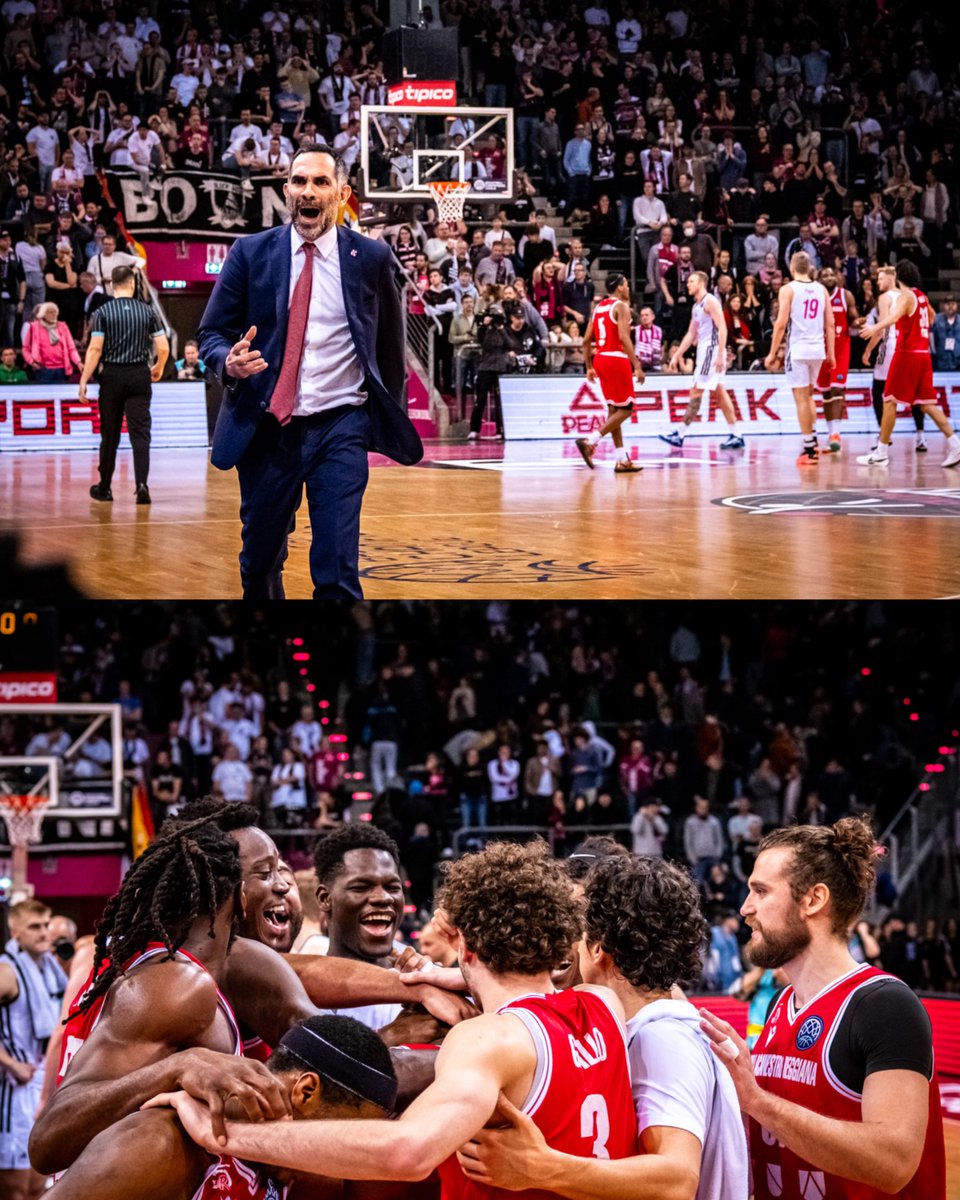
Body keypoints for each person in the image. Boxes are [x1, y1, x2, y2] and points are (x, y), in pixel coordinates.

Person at [154, 840, 639, 1193]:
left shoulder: (486, 1039)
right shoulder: (603, 1005)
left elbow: (406, 1151)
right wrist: (452, 979)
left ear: (464, 945)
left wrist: (227, 1134)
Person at [196, 144, 422, 601]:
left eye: (321, 182)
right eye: (299, 182)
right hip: (267, 429)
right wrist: (228, 362)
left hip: (341, 426)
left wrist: (380, 419)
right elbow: (211, 334)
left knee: (337, 570)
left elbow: (390, 350)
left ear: (342, 193)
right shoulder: (250, 252)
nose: (309, 191)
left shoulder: (372, 257)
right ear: (286, 190)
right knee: (258, 564)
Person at [458, 855, 749, 1198]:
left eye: (578, 935)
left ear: (598, 948)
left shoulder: (662, 1038)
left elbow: (677, 1180)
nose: (569, 947)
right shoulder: (639, 1022)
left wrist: (543, 1167)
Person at [700, 817, 946, 1198]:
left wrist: (757, 1101)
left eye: (760, 891)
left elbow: (894, 1162)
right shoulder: (782, 1004)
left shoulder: (884, 1005)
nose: (746, 908)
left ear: (813, 900)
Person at [50, 1013, 398, 1200]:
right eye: (348, 1128)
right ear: (306, 1093)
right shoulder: (156, 1144)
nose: (345, 1157)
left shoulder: (289, 1167)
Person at [80, 264, 169, 505]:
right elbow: (162, 346)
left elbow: (95, 348)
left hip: (112, 376)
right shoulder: (148, 311)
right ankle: (142, 485)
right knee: (140, 434)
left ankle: (105, 488)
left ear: (111, 285)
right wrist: (159, 367)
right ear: (132, 284)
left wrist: (84, 379)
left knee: (109, 434)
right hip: (139, 375)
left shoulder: (102, 312)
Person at [858, 260, 960, 468]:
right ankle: (956, 445)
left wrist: (873, 328)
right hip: (923, 355)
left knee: (888, 400)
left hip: (907, 354)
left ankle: (881, 452)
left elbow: (894, 318)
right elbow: (931, 317)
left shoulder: (905, 297)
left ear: (898, 277)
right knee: (927, 405)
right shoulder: (922, 296)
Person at [0, 899, 68, 1200]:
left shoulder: (50, 967)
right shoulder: (7, 971)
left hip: (43, 1084)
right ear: (16, 934)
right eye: (34, 927)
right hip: (14, 1088)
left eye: (45, 925)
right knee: (17, 1189)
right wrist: (10, 1064)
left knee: (43, 1184)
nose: (44, 933)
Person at [312, 824, 405, 1030]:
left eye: (392, 887)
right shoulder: (299, 995)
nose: (383, 898)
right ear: (325, 898)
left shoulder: (427, 986)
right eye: (361, 887)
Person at [659, 272, 745, 449]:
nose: (687, 284)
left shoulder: (710, 301)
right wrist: (677, 354)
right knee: (720, 393)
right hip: (706, 351)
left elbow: (722, 328)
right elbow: (691, 333)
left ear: (701, 283)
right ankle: (737, 434)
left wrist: (720, 354)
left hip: (711, 352)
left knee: (696, 391)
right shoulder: (697, 306)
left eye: (691, 281)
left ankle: (680, 433)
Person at [764, 251, 834, 465]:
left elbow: (781, 324)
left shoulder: (788, 289)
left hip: (799, 349)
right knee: (809, 396)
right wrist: (831, 353)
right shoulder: (821, 289)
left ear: (792, 268)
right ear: (809, 268)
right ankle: (812, 438)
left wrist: (772, 353)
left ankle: (809, 449)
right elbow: (830, 324)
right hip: (818, 350)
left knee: (801, 399)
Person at [575, 272, 645, 473]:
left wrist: (588, 366)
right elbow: (624, 337)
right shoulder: (621, 307)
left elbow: (586, 340)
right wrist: (637, 365)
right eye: (626, 284)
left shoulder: (598, 308)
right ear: (620, 287)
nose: (629, 287)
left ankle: (622, 459)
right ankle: (590, 441)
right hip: (616, 358)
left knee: (614, 410)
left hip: (600, 359)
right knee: (626, 409)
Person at [815, 265, 859, 454]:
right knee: (825, 393)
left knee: (837, 388)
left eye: (832, 273)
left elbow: (853, 318)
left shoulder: (845, 295)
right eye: (825, 274)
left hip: (841, 348)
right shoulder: (816, 297)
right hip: (821, 350)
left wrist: (858, 321)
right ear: (819, 279)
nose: (829, 276)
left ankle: (836, 434)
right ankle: (831, 432)